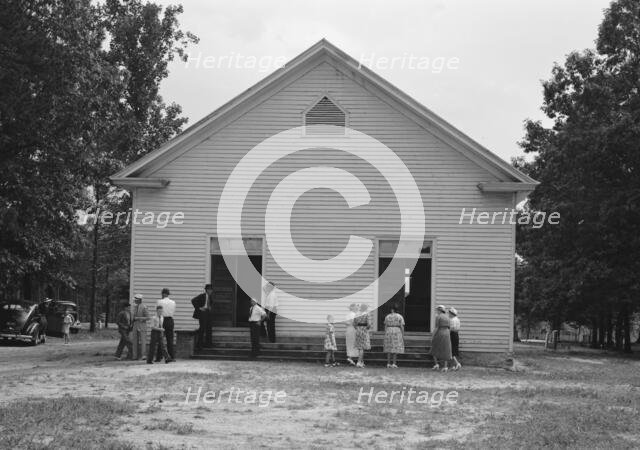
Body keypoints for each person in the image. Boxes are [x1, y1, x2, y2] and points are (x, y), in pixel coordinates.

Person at [430, 305, 452, 372]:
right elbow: (449, 327)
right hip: (447, 333)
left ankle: (436, 364)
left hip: (440, 332)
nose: (436, 311)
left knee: (434, 347)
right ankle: (445, 366)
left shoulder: (438, 317)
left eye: (437, 310)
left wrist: (433, 336)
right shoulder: (447, 317)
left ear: (439, 310)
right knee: (446, 349)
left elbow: (437, 327)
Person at [192, 284, 214, 349]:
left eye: (211, 290)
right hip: (203, 313)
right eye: (209, 290)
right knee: (202, 328)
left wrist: (210, 307)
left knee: (209, 328)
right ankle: (199, 345)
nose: (210, 291)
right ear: (206, 290)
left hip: (208, 313)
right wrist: (199, 308)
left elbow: (210, 303)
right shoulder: (202, 296)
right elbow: (193, 300)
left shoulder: (211, 297)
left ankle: (208, 344)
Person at [156, 288, 176, 361]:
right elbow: (173, 311)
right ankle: (172, 356)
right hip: (170, 320)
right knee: (170, 339)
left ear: (163, 294)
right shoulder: (173, 302)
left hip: (162, 320)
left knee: (160, 339)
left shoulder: (159, 302)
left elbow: (158, 311)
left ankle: (159, 357)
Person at [383, 303, 405, 368]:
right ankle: (394, 363)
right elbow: (401, 326)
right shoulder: (399, 316)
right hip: (396, 331)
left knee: (388, 347)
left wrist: (385, 333)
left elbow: (385, 325)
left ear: (392, 310)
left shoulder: (387, 316)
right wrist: (403, 334)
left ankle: (388, 363)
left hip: (389, 331)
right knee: (395, 347)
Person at [131, 293, 149, 360]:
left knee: (143, 341)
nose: (134, 301)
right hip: (135, 325)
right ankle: (134, 356)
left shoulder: (144, 307)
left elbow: (148, 317)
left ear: (139, 300)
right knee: (135, 341)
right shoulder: (135, 307)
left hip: (142, 325)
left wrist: (138, 318)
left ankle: (143, 355)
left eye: (136, 300)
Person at [354, 304, 371, 368]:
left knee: (359, 347)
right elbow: (369, 324)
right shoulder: (367, 314)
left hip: (358, 329)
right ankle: (358, 362)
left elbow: (354, 323)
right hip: (364, 330)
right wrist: (367, 329)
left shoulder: (357, 314)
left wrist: (357, 328)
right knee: (362, 347)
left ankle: (361, 361)